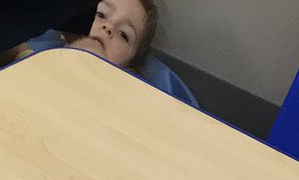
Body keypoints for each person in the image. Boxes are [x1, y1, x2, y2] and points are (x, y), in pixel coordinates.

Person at [29, 0, 200, 107]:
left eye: (124, 34)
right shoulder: (29, 54)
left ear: (129, 68)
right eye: (101, 14)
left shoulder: (127, 102)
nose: (108, 27)